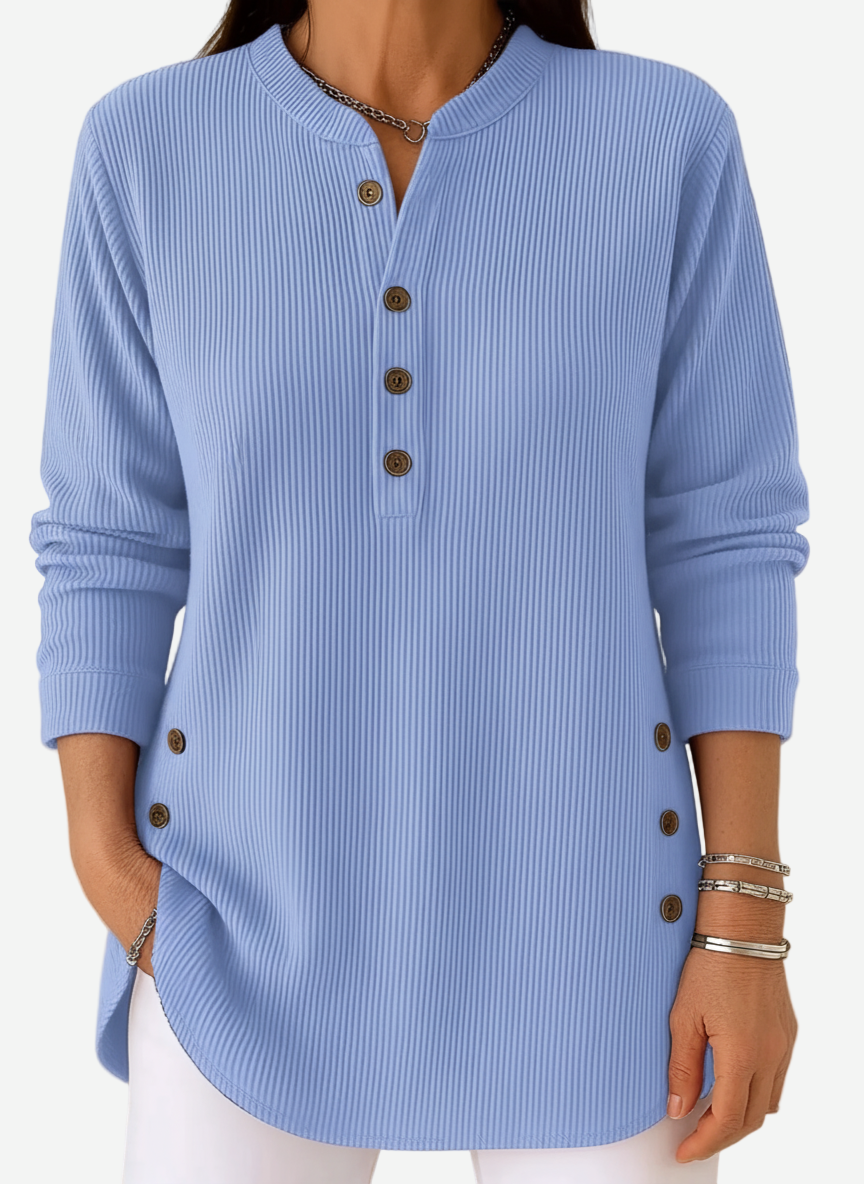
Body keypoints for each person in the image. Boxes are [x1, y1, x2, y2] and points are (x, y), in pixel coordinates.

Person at [29, 1, 809, 1181]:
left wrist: (744, 921)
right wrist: (113, 873)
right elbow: (108, 541)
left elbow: (727, 539)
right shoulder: (147, 146)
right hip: (233, 931)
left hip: (597, 939)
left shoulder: (662, 138)